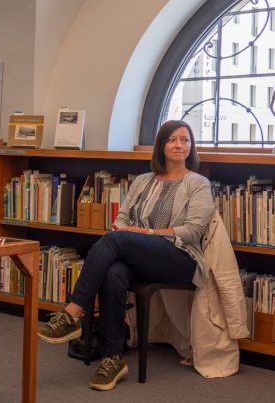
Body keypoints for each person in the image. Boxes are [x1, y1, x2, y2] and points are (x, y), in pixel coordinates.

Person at [37, 119, 214, 391]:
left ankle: (73, 312)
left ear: (191, 146)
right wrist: (125, 230)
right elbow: (122, 218)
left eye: (185, 140)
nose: (179, 145)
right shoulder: (143, 181)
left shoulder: (198, 183)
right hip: (138, 255)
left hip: (179, 258)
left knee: (115, 241)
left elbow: (192, 231)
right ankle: (112, 358)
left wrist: (144, 235)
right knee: (113, 272)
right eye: (172, 139)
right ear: (161, 146)